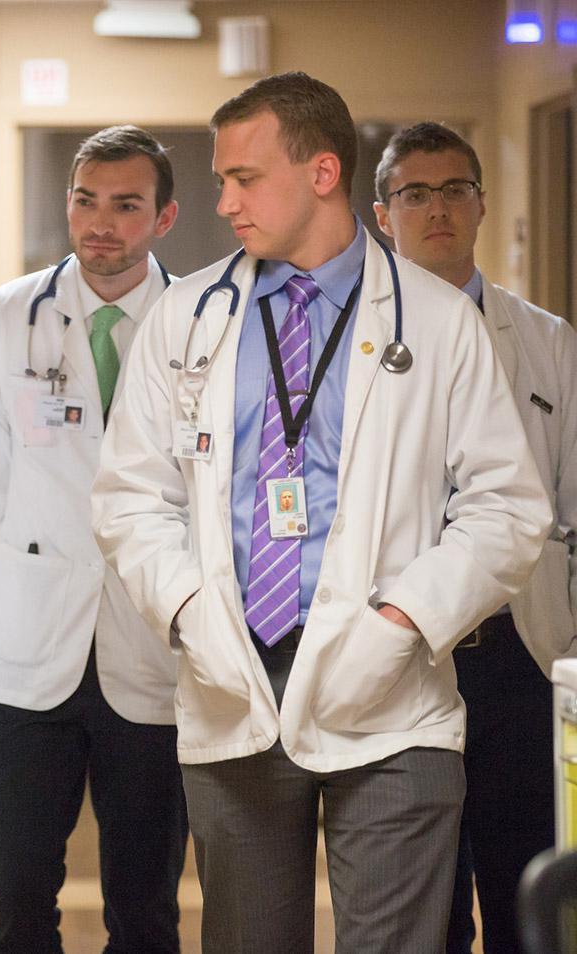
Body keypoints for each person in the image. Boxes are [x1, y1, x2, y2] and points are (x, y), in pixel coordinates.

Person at [91, 73, 551, 952]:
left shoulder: (439, 321)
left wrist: (400, 623)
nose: (223, 202)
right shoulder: (188, 317)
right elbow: (127, 498)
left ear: (323, 173)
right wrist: (190, 611)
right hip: (235, 681)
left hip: (392, 694)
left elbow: (505, 507)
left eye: (244, 178)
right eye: (222, 179)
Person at [0, 124, 186, 953]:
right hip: (25, 652)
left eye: (127, 205)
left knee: (145, 908)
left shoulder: (201, 324)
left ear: (164, 218)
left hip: (154, 651)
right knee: (15, 897)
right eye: (86, 200)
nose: (101, 223)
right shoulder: (5, 320)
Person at [374, 122, 577, 954]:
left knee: (527, 889)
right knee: (424, 907)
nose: (436, 210)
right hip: (406, 655)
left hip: (520, 656)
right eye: (413, 194)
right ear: (381, 214)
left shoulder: (548, 341)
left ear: (483, 204)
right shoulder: (355, 344)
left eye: (454, 189)